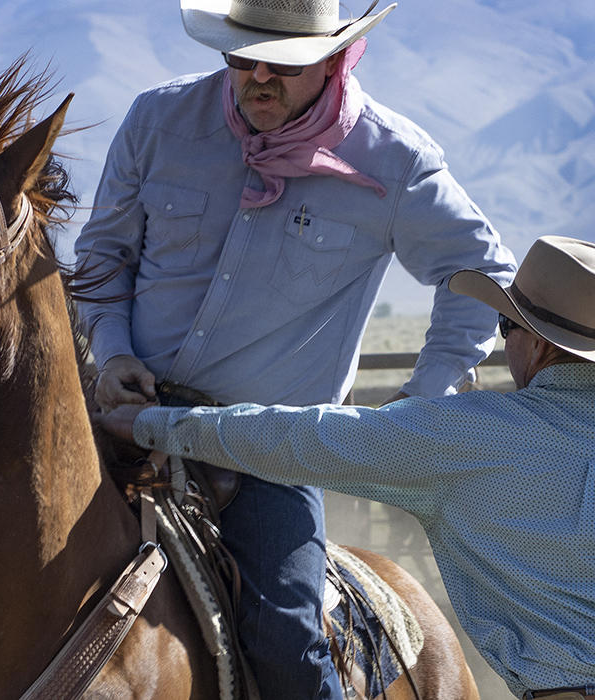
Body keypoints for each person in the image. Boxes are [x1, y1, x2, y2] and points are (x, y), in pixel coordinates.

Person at [73, 0, 517, 696]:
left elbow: (484, 276)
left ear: (335, 57)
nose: (256, 79)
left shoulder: (392, 159)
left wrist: (425, 398)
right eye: (240, 58)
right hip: (121, 416)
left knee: (286, 644)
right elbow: (102, 257)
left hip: (267, 447)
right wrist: (113, 350)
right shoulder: (158, 121)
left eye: (281, 64)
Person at [95, 234, 595, 700]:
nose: (505, 341)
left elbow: (303, 440)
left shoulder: (472, 435)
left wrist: (155, 425)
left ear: (541, 344)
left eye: (507, 326)